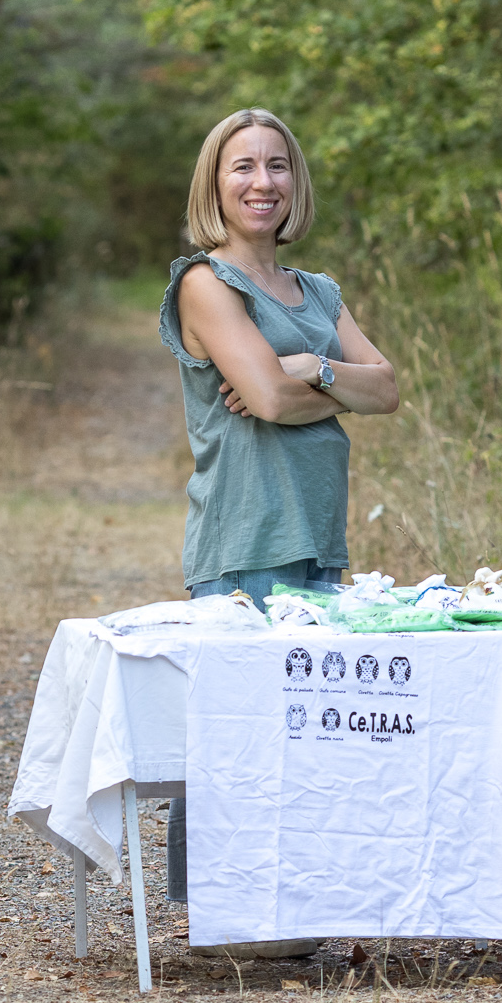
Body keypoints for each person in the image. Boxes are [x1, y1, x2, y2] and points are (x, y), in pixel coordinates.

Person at [157, 107, 400, 954]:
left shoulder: (318, 292)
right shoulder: (205, 284)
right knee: (242, 736)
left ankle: (296, 914)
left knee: (315, 730)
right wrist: (320, 384)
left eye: (276, 166)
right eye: (242, 167)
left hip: (316, 536)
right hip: (244, 534)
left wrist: (313, 368)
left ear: (294, 180)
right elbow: (265, 401)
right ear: (214, 184)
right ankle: (232, 923)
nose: (261, 182)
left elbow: (391, 387)